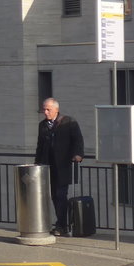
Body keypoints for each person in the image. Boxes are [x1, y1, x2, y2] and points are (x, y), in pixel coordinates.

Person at [34, 97, 84, 236]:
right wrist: (37, 163)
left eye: (48, 109)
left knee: (61, 195)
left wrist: (78, 154)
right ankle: (60, 224)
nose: (45, 112)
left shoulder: (69, 122)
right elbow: (39, 146)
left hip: (62, 166)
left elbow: (78, 139)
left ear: (56, 109)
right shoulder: (42, 125)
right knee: (54, 196)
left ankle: (62, 225)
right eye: (44, 109)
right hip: (47, 166)